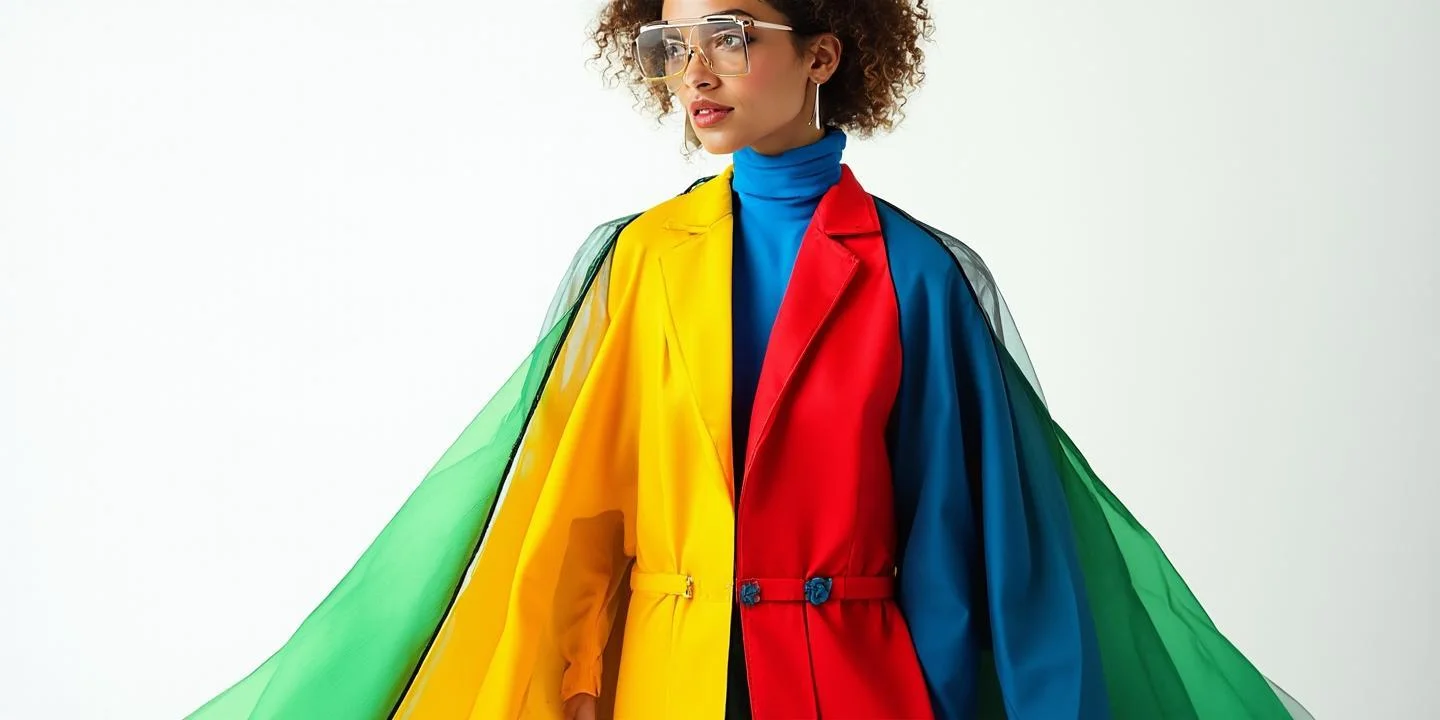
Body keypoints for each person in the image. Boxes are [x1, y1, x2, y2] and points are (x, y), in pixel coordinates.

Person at [187, 2, 1314, 719]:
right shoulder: (639, 260)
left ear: (822, 51)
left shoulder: (914, 274)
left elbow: (978, 545)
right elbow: (580, 504)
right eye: (672, 43)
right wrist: (573, 680)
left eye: (731, 35)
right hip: (661, 688)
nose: (695, 70)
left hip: (858, 690)